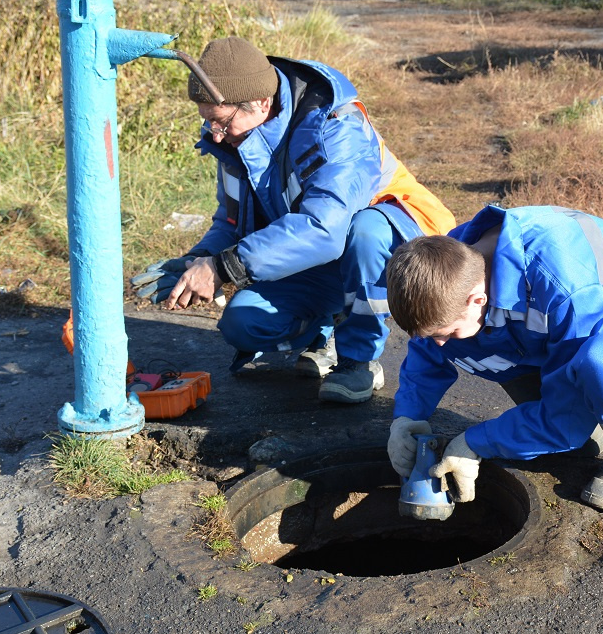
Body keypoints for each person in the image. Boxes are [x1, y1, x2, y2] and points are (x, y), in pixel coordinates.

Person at [131, 37, 455, 403]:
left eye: (221, 122)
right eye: (208, 122)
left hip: (404, 248)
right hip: (323, 256)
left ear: (262, 104)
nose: (215, 134)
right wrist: (198, 259)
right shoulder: (237, 141)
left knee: (366, 230)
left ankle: (359, 360)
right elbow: (232, 223)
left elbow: (324, 229)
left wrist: (222, 269)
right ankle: (328, 331)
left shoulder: (335, 126)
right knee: (242, 323)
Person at [384, 204, 603, 512]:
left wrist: (476, 442)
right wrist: (407, 416)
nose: (440, 343)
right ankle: (577, 433)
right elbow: (429, 345)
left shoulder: (565, 284)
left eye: (446, 332)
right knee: (463, 335)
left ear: (477, 298)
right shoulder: (446, 267)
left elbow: (565, 418)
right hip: (558, 337)